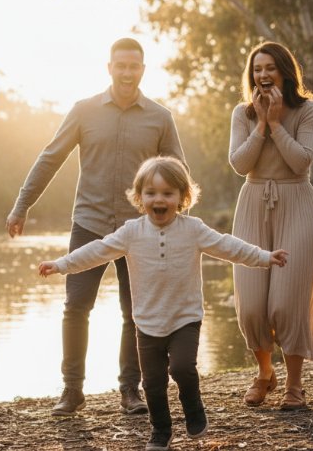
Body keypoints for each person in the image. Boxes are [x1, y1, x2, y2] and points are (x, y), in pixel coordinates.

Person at [39, 157, 287, 451]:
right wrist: (61, 264)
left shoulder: (193, 229)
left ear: (182, 197)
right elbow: (97, 251)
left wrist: (264, 256)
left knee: (182, 368)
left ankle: (193, 406)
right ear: (139, 197)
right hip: (146, 323)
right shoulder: (131, 232)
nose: (159, 199)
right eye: (151, 193)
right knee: (153, 384)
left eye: (168, 193)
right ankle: (160, 431)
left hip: (185, 318)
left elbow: (228, 246)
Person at [6, 37, 186, 417]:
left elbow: (177, 174)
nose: (126, 72)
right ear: (109, 68)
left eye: (133, 66)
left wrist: (178, 224)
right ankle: (72, 391)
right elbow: (50, 158)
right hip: (88, 224)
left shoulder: (159, 117)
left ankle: (129, 392)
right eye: (120, 65)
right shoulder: (84, 111)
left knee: (134, 312)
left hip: (140, 230)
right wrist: (22, 205)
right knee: (75, 307)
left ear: (142, 70)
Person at [228, 41, 313, 410]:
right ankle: (266, 374)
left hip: (296, 205)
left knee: (286, 303)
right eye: (257, 69)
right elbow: (239, 163)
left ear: (285, 71)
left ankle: (294, 386)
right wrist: (261, 125)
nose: (263, 75)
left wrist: (277, 123)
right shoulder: (242, 113)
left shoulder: (308, 110)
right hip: (253, 205)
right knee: (252, 305)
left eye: (269, 68)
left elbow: (301, 162)